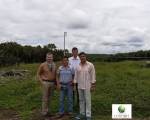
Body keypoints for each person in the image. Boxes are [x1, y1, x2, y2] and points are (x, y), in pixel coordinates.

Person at [74, 52, 96, 120]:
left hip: (88, 86)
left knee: (88, 100)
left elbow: (93, 76)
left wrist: (92, 86)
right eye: (81, 56)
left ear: (86, 57)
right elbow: (76, 77)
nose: (82, 57)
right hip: (80, 86)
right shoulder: (78, 66)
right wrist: (74, 85)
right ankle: (82, 113)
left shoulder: (90, 65)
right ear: (79, 58)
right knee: (81, 100)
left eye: (83, 56)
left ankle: (88, 115)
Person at [36, 53, 56, 118]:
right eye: (48, 57)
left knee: (50, 98)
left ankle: (48, 110)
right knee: (45, 98)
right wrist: (41, 81)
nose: (49, 58)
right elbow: (38, 74)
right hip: (45, 82)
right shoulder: (43, 65)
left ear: (52, 58)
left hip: (52, 83)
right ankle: (44, 112)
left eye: (50, 57)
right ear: (46, 57)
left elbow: (55, 75)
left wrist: (55, 83)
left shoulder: (54, 65)